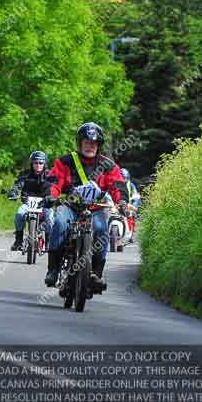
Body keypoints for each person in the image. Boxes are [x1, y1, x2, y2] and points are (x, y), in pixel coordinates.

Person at [44, 122, 129, 288]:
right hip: (70, 207)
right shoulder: (65, 161)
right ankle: (53, 269)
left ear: (98, 145)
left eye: (93, 143)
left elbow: (117, 185)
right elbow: (53, 182)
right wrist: (50, 196)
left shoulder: (108, 165)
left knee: (102, 230)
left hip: (95, 209)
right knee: (60, 222)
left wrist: (122, 202)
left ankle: (96, 274)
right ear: (80, 142)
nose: (90, 146)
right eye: (86, 142)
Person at [8, 151, 54, 251]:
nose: (38, 165)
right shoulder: (25, 174)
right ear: (31, 163)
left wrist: (54, 197)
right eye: (35, 163)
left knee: (50, 219)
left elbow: (57, 187)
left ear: (44, 164)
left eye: (40, 163)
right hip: (28, 203)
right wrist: (13, 192)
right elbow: (17, 184)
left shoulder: (51, 175)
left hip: (45, 204)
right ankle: (18, 240)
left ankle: (49, 242)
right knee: (19, 214)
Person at [119, 168, 140, 240]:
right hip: (116, 205)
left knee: (133, 214)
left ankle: (132, 234)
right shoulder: (115, 183)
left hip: (128, 205)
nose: (123, 179)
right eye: (122, 177)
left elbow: (136, 196)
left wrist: (134, 206)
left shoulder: (131, 185)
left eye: (125, 177)